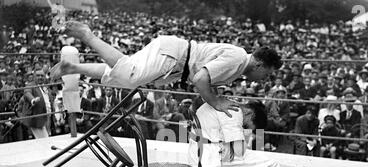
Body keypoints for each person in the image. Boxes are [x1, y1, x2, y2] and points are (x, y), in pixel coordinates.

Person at [50, 21, 281, 117]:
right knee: (130, 76)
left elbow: (203, 79)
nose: (264, 79)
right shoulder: (238, 58)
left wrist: (213, 98)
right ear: (260, 64)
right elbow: (201, 78)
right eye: (267, 74)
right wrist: (216, 102)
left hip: (174, 62)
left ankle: (73, 66)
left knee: (119, 76)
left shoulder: (239, 64)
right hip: (174, 57)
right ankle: (87, 35)